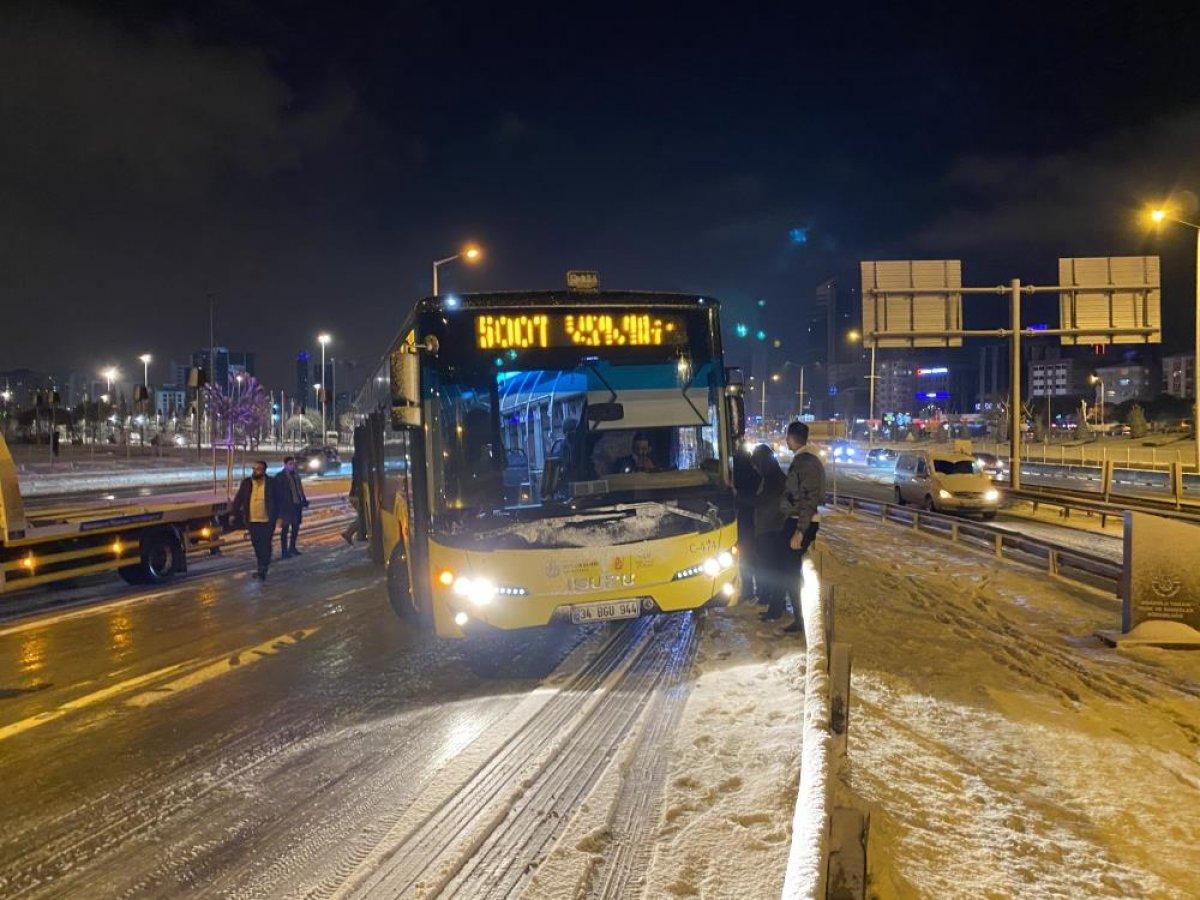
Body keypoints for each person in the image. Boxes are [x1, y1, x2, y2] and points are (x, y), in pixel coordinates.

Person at [778, 421, 825, 633]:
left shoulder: (806, 463)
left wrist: (800, 531)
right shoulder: (805, 460)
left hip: (801, 522)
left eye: (787, 437)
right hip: (797, 520)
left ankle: (802, 619)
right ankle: (799, 617)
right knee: (788, 569)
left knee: (791, 571)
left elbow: (808, 499)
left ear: (792, 438)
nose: (786, 440)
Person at [749, 444, 790, 620]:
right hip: (770, 528)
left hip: (772, 530)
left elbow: (764, 502)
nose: (755, 469)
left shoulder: (773, 480)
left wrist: (740, 497)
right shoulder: (774, 476)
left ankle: (776, 609)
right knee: (773, 569)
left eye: (757, 465)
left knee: (773, 570)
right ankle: (775, 606)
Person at [232, 459, 278, 580]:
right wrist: (233, 513)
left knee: (266, 544)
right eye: (254, 469)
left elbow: (279, 500)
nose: (255, 471)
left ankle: (263, 568)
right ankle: (261, 565)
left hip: (267, 520)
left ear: (264, 470)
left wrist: (280, 517)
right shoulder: (247, 483)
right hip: (252, 520)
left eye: (258, 469)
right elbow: (239, 498)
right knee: (256, 544)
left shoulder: (272, 483)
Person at [275, 455, 309, 557]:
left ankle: (292, 548)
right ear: (285, 465)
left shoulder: (296, 475)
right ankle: (284, 551)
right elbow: (278, 493)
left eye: (293, 464)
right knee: (285, 530)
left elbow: (300, 489)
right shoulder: (280, 477)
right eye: (290, 464)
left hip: (297, 505)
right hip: (286, 507)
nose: (292, 466)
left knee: (295, 528)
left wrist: (304, 500)